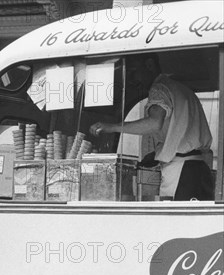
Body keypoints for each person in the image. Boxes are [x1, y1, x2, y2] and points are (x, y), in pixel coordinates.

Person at [89, 54, 214, 201]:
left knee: (175, 221)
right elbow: (180, 133)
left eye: (135, 71)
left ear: (149, 65)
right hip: (200, 169)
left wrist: (112, 127)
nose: (133, 78)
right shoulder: (182, 90)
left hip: (181, 171)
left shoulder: (159, 88)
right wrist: (158, 152)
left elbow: (154, 123)